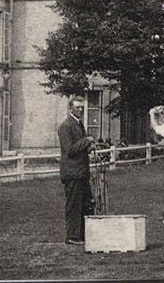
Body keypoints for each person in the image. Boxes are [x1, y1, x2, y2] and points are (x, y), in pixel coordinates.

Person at [57, 96, 95, 245]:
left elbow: (79, 146)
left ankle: (83, 235)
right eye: (77, 107)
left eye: (82, 108)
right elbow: (70, 149)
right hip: (72, 173)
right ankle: (72, 236)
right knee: (74, 205)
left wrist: (89, 147)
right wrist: (87, 141)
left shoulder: (78, 125)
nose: (80, 110)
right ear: (70, 108)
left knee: (87, 204)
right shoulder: (65, 126)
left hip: (82, 172)